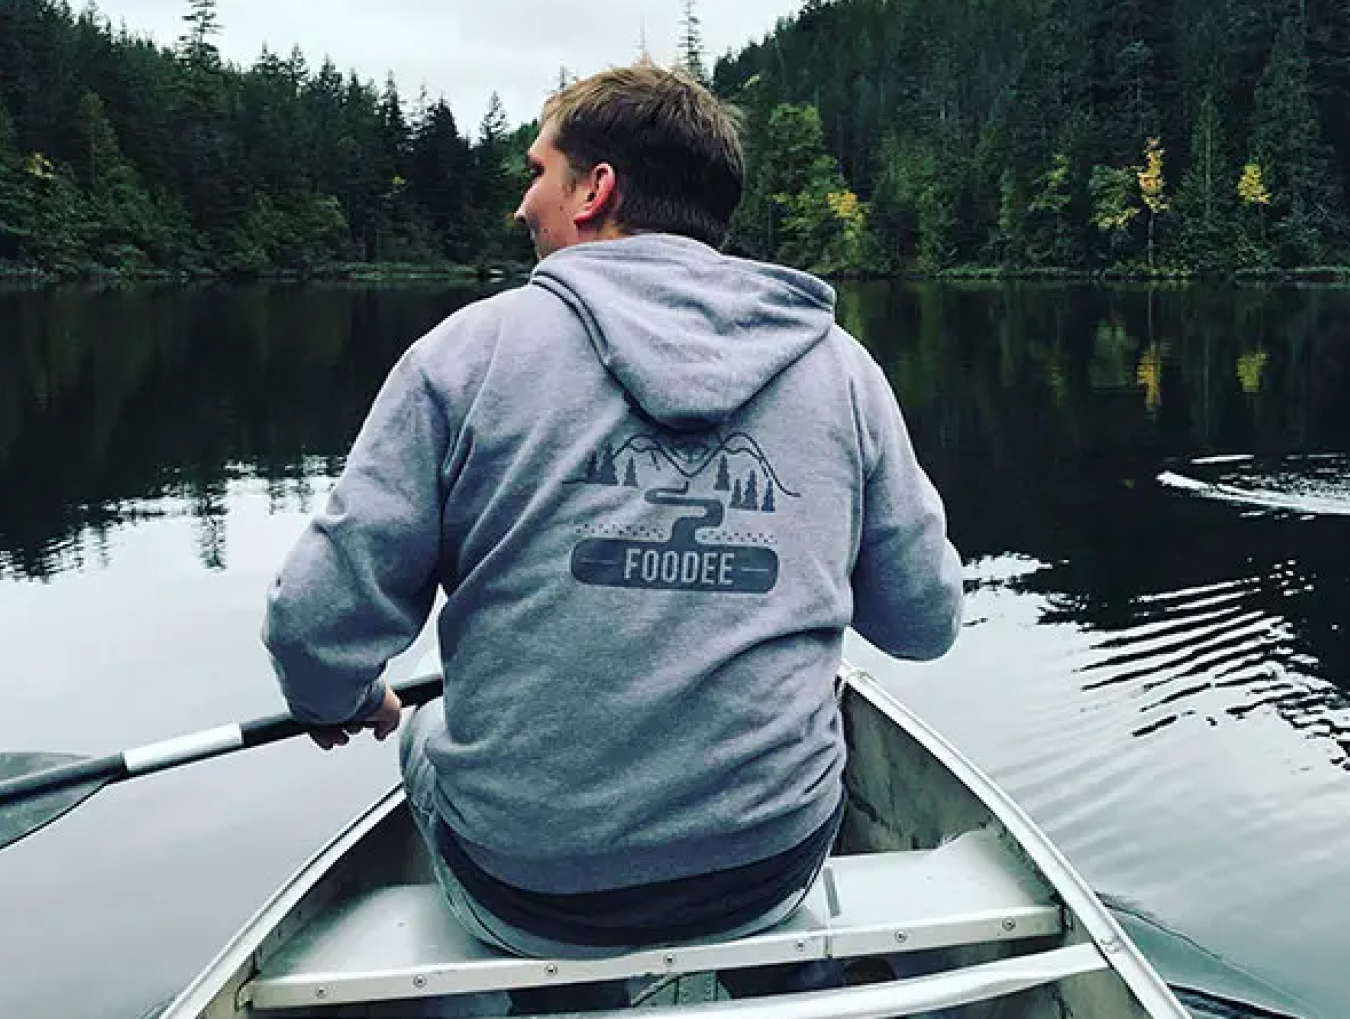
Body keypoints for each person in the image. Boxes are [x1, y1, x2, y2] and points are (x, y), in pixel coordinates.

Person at [262, 65, 964, 1012]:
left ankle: (567, 998)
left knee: (425, 732)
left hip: (531, 884)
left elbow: (313, 624)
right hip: (769, 860)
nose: (523, 202)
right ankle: (791, 974)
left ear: (595, 192)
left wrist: (346, 696)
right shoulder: (842, 370)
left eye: (538, 171)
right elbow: (923, 622)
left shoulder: (465, 355)